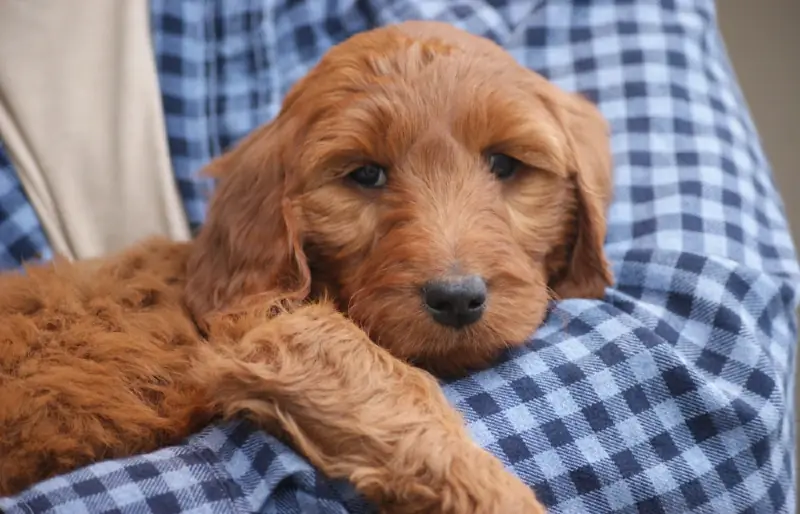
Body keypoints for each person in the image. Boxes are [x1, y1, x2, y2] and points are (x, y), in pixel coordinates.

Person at [0, 1, 797, 513]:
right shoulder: (292, 329)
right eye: (365, 177)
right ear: (266, 215)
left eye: (507, 166)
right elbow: (276, 334)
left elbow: (715, 392)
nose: (454, 272)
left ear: (586, 210)